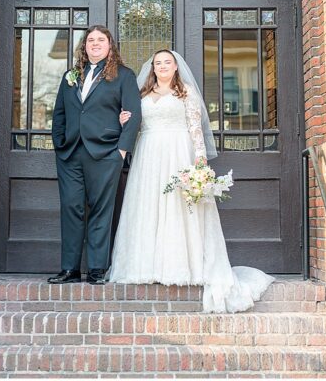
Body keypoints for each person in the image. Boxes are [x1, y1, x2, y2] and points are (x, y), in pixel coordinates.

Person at [108, 49, 274, 312]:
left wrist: (199, 160)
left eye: (167, 62)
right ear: (152, 68)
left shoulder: (186, 91)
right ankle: (145, 266)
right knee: (148, 206)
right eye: (157, 63)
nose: (162, 66)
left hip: (178, 152)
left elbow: (195, 128)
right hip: (149, 156)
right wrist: (123, 120)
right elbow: (135, 125)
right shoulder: (142, 94)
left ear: (176, 67)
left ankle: (181, 267)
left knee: (178, 208)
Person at [49, 25, 142, 284]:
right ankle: (70, 269)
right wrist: (60, 144)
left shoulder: (123, 75)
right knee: (71, 208)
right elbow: (59, 114)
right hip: (70, 154)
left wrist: (121, 151)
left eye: (101, 40)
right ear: (85, 46)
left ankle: (97, 269)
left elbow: (133, 114)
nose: (96, 43)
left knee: (101, 210)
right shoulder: (70, 76)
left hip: (106, 152)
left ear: (110, 46)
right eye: (91, 40)